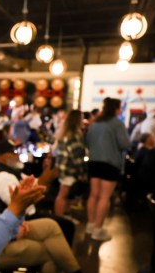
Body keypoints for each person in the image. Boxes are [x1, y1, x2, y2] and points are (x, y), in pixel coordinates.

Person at [85, 97, 130, 241]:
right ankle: (98, 230)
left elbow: (87, 142)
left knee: (93, 195)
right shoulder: (117, 123)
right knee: (104, 197)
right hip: (110, 163)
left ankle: (90, 225)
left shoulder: (95, 123)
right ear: (116, 109)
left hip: (94, 162)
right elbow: (125, 144)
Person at [53, 110, 87, 217]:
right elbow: (77, 157)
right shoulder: (74, 136)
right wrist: (83, 173)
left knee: (65, 195)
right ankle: (60, 219)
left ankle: (64, 216)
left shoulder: (64, 133)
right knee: (63, 195)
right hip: (70, 169)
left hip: (63, 168)